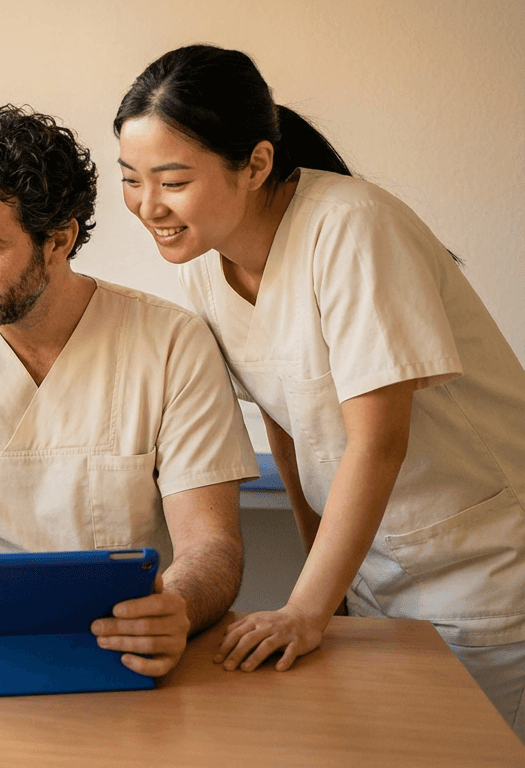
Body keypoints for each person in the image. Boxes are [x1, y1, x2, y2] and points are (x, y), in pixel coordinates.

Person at [115, 44, 525, 738]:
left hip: (479, 572)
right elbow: (287, 420)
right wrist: (322, 593)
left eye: (173, 181)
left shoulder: (352, 227)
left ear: (256, 164)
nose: (147, 206)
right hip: (369, 576)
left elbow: (379, 440)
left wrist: (304, 608)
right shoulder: (204, 268)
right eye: (131, 180)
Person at [0, 105, 259, 678]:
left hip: (121, 654)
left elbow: (213, 547)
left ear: (59, 240)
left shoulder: (171, 343)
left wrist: (177, 607)